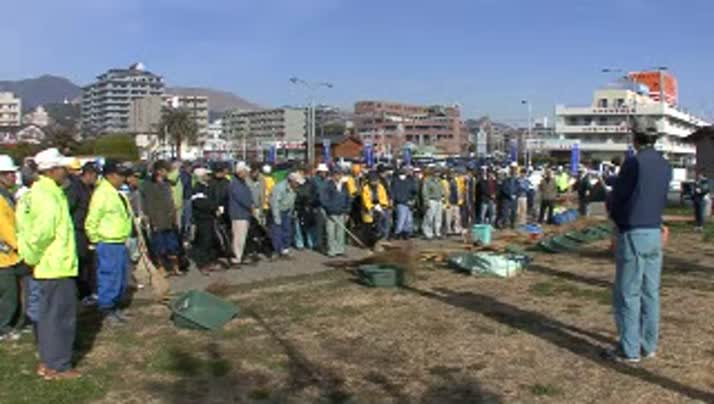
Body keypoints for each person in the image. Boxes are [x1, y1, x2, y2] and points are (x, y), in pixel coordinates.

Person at [605, 124, 672, 363]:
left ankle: (629, 349)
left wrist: (614, 216)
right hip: (654, 230)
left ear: (636, 139)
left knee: (628, 292)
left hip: (634, 231)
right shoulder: (665, 164)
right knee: (650, 292)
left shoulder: (634, 163)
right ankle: (648, 344)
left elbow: (620, 197)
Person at [18, 148, 80, 380]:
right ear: (52, 170)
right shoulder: (48, 196)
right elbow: (42, 233)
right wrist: (33, 257)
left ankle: (48, 361)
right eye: (62, 168)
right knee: (60, 318)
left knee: (48, 317)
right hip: (56, 265)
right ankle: (58, 366)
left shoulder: (35, 193)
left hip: (47, 266)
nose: (66, 172)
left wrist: (31, 258)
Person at [85, 161, 133, 326]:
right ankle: (106, 309)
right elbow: (92, 220)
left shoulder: (114, 192)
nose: (123, 179)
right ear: (111, 175)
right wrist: (96, 240)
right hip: (107, 242)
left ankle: (115, 306)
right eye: (121, 175)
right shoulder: (102, 194)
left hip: (119, 241)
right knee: (109, 276)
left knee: (120, 277)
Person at [65, 162, 98, 304]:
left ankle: (86, 292)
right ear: (88, 174)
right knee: (80, 263)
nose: (96, 179)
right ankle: (81, 294)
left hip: (84, 230)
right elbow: (67, 208)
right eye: (95, 176)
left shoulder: (89, 188)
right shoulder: (75, 188)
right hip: (76, 230)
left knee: (86, 263)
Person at [141, 160, 181, 277]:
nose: (167, 173)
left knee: (173, 245)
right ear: (158, 171)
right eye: (165, 170)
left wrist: (174, 214)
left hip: (169, 219)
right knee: (159, 246)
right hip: (157, 220)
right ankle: (162, 268)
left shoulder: (167, 183)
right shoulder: (149, 185)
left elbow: (170, 201)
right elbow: (148, 204)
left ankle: (175, 267)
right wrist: (150, 219)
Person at [0, 155, 24, 341]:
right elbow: (6, 228)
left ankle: (11, 323)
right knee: (8, 293)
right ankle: (3, 327)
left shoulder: (7, 195)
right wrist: (20, 246)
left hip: (8, 254)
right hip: (4, 255)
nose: (13, 177)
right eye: (9, 174)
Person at [191, 168, 222, 274]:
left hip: (210, 217)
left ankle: (211, 261)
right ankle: (203, 264)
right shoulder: (197, 188)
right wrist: (213, 207)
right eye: (206, 175)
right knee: (204, 242)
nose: (208, 176)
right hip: (202, 218)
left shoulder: (208, 186)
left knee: (211, 241)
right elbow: (200, 204)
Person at [270, 172, 304, 258]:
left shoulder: (294, 188)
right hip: (278, 211)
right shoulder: (279, 187)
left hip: (287, 211)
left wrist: (291, 211)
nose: (298, 185)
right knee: (277, 231)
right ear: (291, 181)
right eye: (297, 183)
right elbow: (275, 202)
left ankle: (285, 250)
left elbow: (292, 200)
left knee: (287, 231)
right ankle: (277, 250)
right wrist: (276, 216)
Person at [228, 162, 254, 267]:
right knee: (238, 237)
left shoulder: (241, 182)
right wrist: (251, 206)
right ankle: (236, 259)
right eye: (245, 171)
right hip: (239, 214)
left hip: (243, 213)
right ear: (240, 172)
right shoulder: (236, 184)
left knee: (241, 237)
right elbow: (242, 198)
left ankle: (239, 256)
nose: (247, 173)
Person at [320, 168, 350, 257]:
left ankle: (340, 250)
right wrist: (329, 210)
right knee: (330, 232)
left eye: (340, 174)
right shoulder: (327, 185)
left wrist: (347, 211)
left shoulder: (344, 185)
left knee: (340, 233)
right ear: (333, 175)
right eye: (337, 174)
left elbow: (348, 198)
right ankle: (331, 251)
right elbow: (323, 199)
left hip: (341, 212)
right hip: (331, 213)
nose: (339, 176)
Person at [361, 171, 391, 241]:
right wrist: (372, 207)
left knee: (386, 220)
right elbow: (366, 200)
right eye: (373, 181)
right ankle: (375, 237)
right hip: (370, 208)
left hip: (381, 206)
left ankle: (384, 237)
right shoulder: (366, 188)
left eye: (376, 180)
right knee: (373, 223)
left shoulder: (380, 187)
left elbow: (384, 197)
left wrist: (383, 205)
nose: (375, 182)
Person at [391, 168, 418, 239]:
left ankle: (406, 233)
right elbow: (394, 194)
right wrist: (393, 201)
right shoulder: (395, 182)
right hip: (400, 203)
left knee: (409, 220)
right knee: (401, 219)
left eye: (403, 173)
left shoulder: (409, 181)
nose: (402, 175)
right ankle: (397, 233)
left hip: (409, 203)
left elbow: (415, 190)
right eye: (401, 173)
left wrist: (412, 200)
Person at [421, 168, 444, 239]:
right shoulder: (427, 181)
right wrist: (426, 201)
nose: (437, 173)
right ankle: (428, 233)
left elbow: (442, 190)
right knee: (429, 217)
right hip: (431, 200)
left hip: (439, 200)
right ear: (433, 172)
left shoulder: (440, 180)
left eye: (439, 172)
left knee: (438, 218)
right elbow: (425, 192)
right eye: (436, 171)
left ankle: (437, 232)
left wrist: (443, 198)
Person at [498, 164, 519, 229]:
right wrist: (510, 195)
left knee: (513, 212)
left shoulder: (517, 181)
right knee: (505, 212)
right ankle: (504, 224)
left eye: (515, 172)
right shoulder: (506, 180)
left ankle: (512, 224)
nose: (513, 173)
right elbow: (504, 189)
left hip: (514, 199)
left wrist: (515, 195)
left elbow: (518, 189)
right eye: (512, 171)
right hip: (506, 199)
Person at [445, 170, 463, 235]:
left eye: (454, 173)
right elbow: (445, 193)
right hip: (449, 202)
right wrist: (446, 203)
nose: (452, 175)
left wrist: (460, 201)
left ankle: (457, 230)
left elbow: (459, 192)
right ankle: (448, 231)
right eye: (451, 174)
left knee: (457, 217)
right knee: (448, 218)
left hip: (456, 202)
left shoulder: (457, 182)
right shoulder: (445, 182)